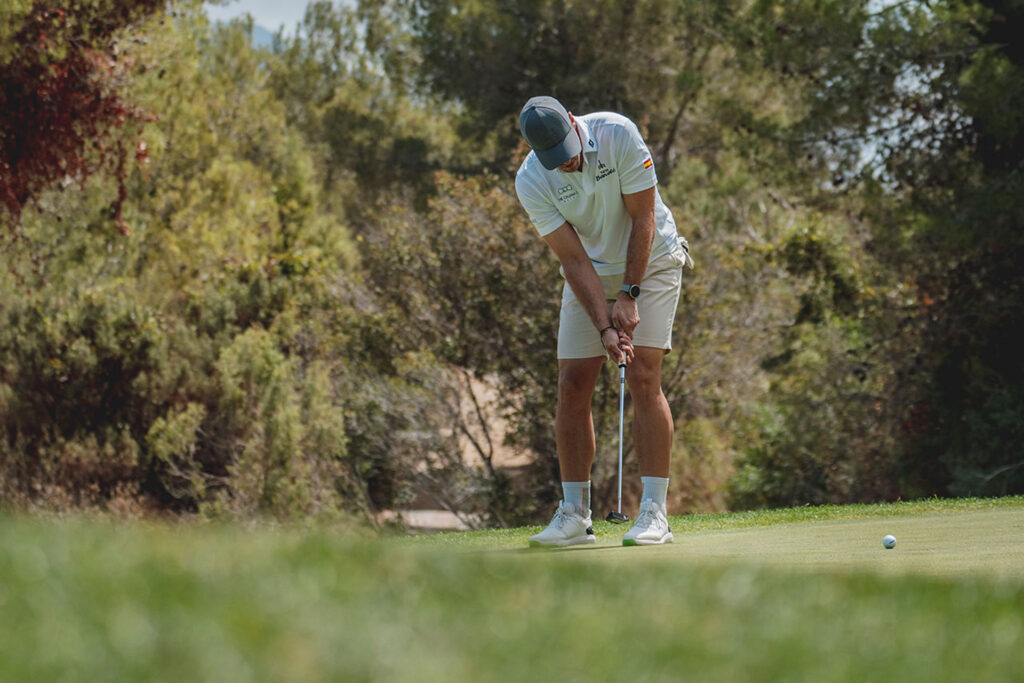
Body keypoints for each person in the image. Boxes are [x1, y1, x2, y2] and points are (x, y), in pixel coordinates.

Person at [514, 96, 692, 547]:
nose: (568, 164)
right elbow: (572, 260)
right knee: (572, 381)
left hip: (652, 258)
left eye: (569, 151)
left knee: (644, 373)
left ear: (575, 124)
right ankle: (575, 515)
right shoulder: (532, 180)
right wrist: (604, 327)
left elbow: (643, 217)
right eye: (556, 161)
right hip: (590, 269)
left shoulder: (617, 133)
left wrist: (629, 295)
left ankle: (655, 513)